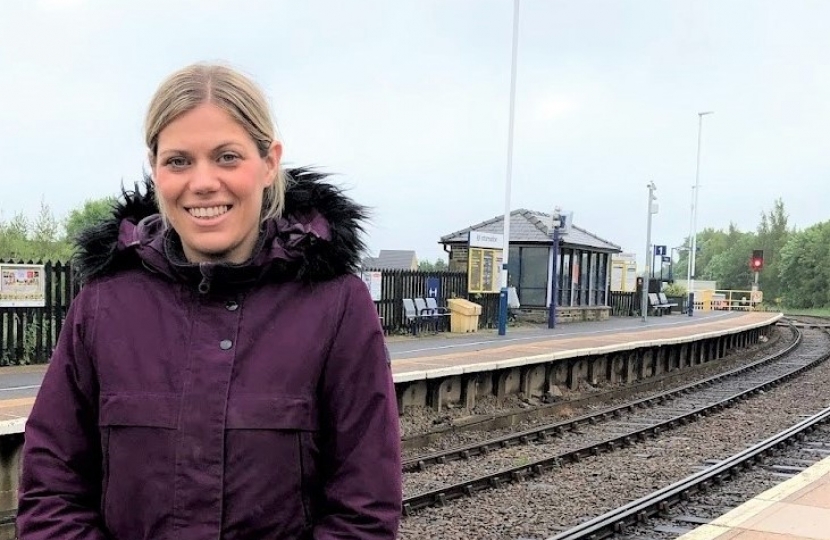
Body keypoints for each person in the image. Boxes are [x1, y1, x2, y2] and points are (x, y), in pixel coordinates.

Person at [17, 63, 402, 540]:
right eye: (178, 161)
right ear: (155, 169)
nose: (202, 182)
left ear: (268, 162)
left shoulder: (337, 306)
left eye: (227, 157)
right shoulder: (102, 306)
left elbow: (363, 511)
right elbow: (51, 493)